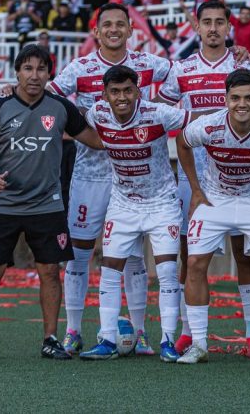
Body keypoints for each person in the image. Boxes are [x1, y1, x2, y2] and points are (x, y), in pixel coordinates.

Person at [46, 3, 173, 356]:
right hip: (90, 174)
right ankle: (73, 331)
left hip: (134, 177)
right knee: (79, 254)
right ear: (96, 31)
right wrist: (74, 125)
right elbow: (48, 96)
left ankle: (140, 332)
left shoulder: (149, 63)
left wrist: (235, 56)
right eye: (107, 25)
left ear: (131, 29)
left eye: (120, 24)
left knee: (132, 257)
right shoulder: (81, 67)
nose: (114, 30)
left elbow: (187, 76)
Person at [0, 45, 104, 361]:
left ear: (48, 74)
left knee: (50, 271)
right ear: (17, 72)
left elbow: (94, 139)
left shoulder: (60, 107)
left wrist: (127, 129)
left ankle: (50, 339)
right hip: (3, 204)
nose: (34, 75)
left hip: (47, 205)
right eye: (27, 68)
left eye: (41, 69)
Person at [156, 1, 250, 358]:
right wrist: (198, 118)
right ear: (197, 26)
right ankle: (189, 332)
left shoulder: (246, 64)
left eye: (220, 22)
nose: (214, 28)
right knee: (191, 255)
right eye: (207, 22)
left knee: (244, 255)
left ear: (229, 27)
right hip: (196, 175)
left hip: (243, 172)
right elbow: (163, 113)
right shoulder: (181, 68)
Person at [175, 69, 250, 365]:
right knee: (194, 263)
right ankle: (198, 343)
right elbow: (182, 142)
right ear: (226, 99)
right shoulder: (208, 125)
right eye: (235, 98)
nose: (242, 104)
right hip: (215, 198)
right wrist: (196, 189)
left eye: (249, 98)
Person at [78, 65, 190, 361]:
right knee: (109, 270)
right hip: (123, 203)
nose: (122, 97)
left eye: (128, 90)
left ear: (138, 92)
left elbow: (194, 120)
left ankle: (167, 341)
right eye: (115, 92)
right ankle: (106, 340)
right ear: (104, 95)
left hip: (162, 203)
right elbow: (72, 113)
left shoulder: (158, 113)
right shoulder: (97, 113)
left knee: (167, 271)